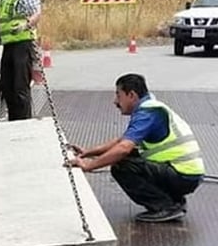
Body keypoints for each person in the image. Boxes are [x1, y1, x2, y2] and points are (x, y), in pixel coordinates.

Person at [66, 73, 205, 223]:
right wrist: (88, 153)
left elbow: (123, 148)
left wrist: (88, 166)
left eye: (118, 96)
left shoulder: (147, 113)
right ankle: (174, 200)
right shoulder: (150, 106)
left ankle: (166, 206)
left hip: (182, 176)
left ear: (131, 95)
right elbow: (121, 141)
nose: (115, 102)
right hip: (185, 174)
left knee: (122, 165)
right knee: (128, 155)